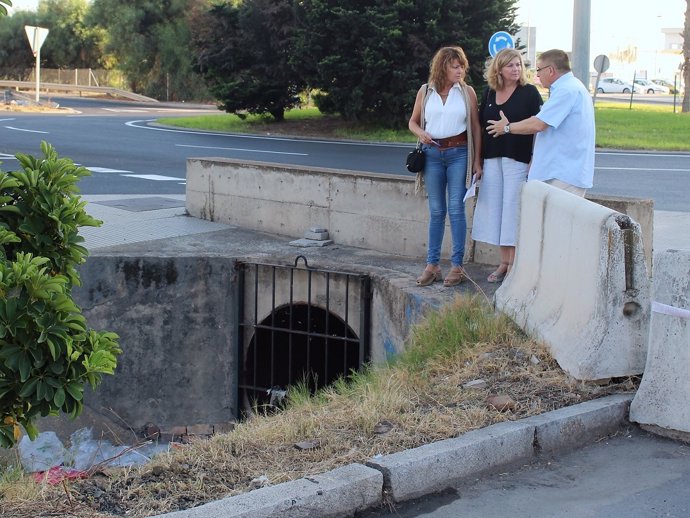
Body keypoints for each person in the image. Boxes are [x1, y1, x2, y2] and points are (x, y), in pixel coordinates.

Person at [408, 46, 482, 287]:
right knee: (437, 211)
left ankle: (457, 266)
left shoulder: (467, 92)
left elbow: (475, 128)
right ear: (442, 67)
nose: (460, 70)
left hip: (459, 153)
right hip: (431, 154)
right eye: (455, 66)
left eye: (462, 65)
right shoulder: (425, 91)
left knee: (456, 210)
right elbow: (413, 122)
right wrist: (422, 133)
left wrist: (477, 160)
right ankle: (432, 265)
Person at [473, 48, 543, 283]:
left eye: (519, 65)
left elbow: (539, 127)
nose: (516, 69)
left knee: (513, 208)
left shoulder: (530, 93)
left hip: (517, 158)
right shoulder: (490, 93)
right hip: (492, 158)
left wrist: (534, 158)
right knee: (495, 209)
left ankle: (514, 264)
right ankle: (503, 262)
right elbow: (481, 127)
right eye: (511, 65)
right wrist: (478, 160)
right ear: (499, 69)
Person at [486, 49, 595, 197]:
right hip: (563, 173)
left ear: (550, 70)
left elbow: (538, 124)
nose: (537, 75)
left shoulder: (567, 91)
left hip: (564, 175)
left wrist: (506, 127)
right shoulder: (571, 87)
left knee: (555, 220)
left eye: (539, 70)